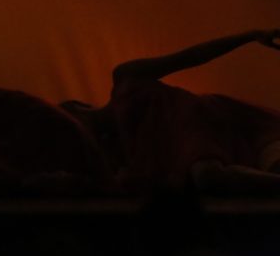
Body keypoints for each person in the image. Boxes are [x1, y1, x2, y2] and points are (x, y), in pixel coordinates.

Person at [62, 29, 280, 195]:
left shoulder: (125, 79)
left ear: (77, 108)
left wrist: (249, 36)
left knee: (208, 173)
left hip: (214, 122)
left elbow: (192, 56)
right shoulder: (119, 154)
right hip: (212, 149)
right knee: (209, 175)